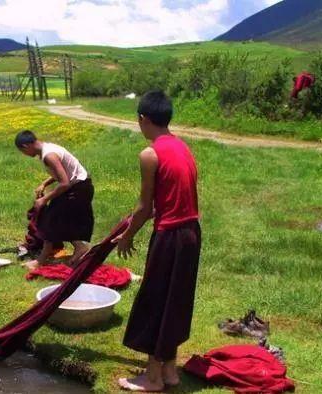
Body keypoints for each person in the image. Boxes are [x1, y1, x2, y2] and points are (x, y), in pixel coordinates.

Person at [113, 91, 201, 392]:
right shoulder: (182, 145)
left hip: (170, 236)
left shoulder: (150, 154)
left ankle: (152, 378)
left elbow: (144, 207)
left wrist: (126, 237)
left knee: (155, 300)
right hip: (191, 233)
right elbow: (165, 200)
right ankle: (169, 370)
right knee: (176, 299)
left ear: (143, 119)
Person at [15, 130, 94, 270]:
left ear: (26, 146)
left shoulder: (49, 155)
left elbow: (64, 183)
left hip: (78, 189)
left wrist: (44, 199)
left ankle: (40, 261)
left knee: (49, 221)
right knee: (60, 221)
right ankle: (80, 248)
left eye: (23, 152)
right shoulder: (48, 149)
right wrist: (45, 184)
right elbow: (62, 172)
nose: (25, 155)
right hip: (81, 186)